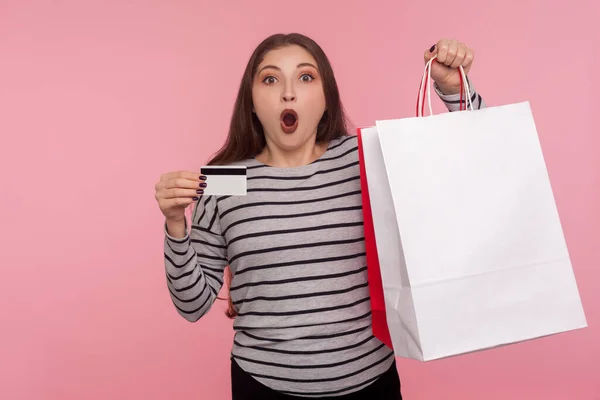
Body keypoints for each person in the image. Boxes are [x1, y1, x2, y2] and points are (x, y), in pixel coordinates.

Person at [154, 33, 486, 400]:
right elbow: (193, 305)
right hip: (261, 385)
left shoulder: (364, 158)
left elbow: (473, 162)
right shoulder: (227, 181)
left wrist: (453, 88)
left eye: (306, 77)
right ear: (251, 102)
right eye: (270, 79)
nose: (288, 93)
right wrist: (175, 225)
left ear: (327, 98)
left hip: (371, 382)